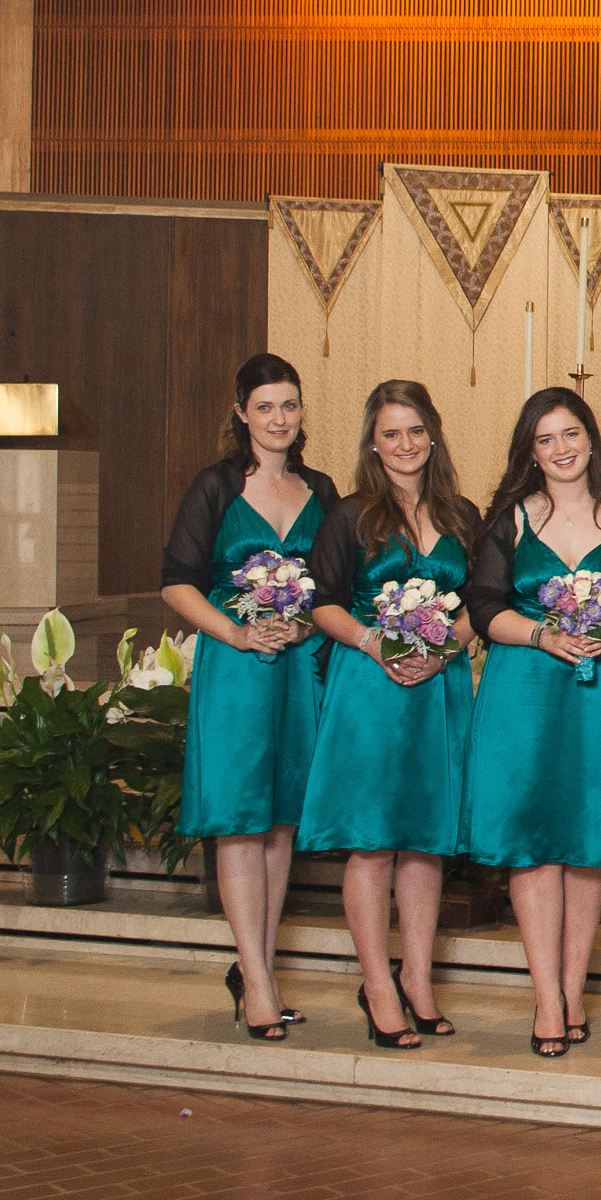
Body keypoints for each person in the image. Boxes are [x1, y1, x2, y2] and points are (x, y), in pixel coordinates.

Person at [458, 388, 601, 1059]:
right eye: (545, 439)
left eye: (571, 434)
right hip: (526, 690)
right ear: (530, 452)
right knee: (535, 839)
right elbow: (483, 607)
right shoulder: (511, 519)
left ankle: (574, 990)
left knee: (586, 840)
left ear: (591, 439)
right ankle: (546, 997)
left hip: (600, 691)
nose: (561, 448)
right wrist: (543, 634)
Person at [160, 353, 339, 1043]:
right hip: (237, 671)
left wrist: (308, 624)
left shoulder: (320, 488)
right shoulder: (215, 487)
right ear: (241, 413)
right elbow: (176, 580)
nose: (278, 418)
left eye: (289, 405)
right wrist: (235, 632)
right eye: (265, 406)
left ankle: (257, 969)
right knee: (240, 818)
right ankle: (259, 982)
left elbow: (336, 581)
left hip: (300, 669)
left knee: (281, 821)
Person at [299, 381, 481, 1048]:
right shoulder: (352, 515)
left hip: (439, 687)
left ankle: (419, 980)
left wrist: (443, 653)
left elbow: (481, 603)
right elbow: (321, 601)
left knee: (426, 839)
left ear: (433, 434)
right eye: (391, 433)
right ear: (373, 444)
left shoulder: (462, 514)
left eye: (415, 430)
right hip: (370, 686)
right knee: (373, 840)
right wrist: (375, 642)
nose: (405, 444)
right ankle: (377, 985)